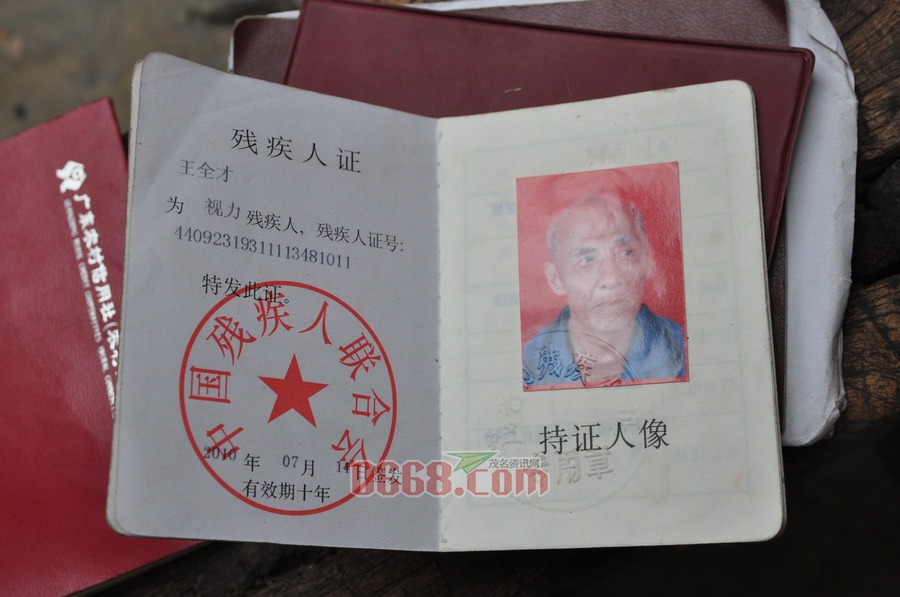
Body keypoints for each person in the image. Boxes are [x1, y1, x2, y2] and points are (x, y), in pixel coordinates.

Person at [522, 194, 685, 388]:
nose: (612, 279)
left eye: (626, 253)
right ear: (556, 278)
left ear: (647, 260)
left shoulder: (686, 350)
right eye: (587, 260)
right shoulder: (527, 365)